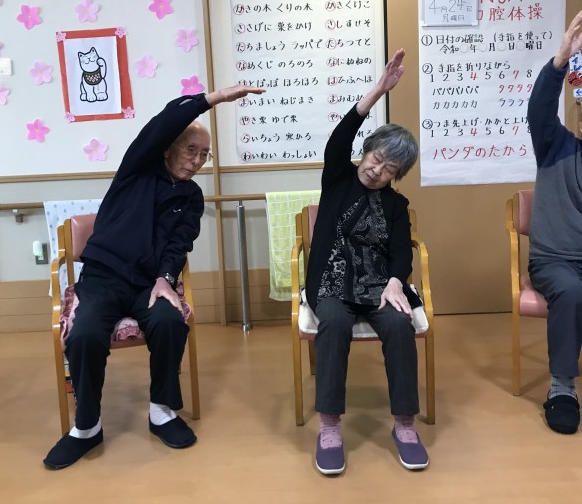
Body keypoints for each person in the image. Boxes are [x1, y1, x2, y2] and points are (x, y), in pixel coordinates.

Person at [44, 83, 265, 470]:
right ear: (168, 148)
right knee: (85, 334)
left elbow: (180, 243)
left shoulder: (191, 196)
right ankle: (87, 426)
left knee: (169, 322)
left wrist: (165, 278)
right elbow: (164, 122)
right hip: (103, 278)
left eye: (204, 154)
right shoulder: (138, 169)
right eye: (190, 150)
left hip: (150, 283)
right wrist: (213, 99)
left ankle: (161, 411)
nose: (197, 160)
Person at [305, 48, 428, 475]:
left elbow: (401, 251)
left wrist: (396, 281)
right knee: (334, 323)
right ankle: (330, 426)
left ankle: (405, 424)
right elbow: (340, 137)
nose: (377, 170)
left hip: (379, 284)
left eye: (390, 168)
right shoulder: (338, 178)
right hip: (331, 280)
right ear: (367, 150)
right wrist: (379, 90)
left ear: (397, 175)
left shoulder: (396, 205)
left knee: (399, 324)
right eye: (376, 158)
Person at [527, 9, 582, 435]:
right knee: (571, 289)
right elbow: (540, 111)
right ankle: (562, 387)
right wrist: (561, 60)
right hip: (554, 262)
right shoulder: (556, 145)